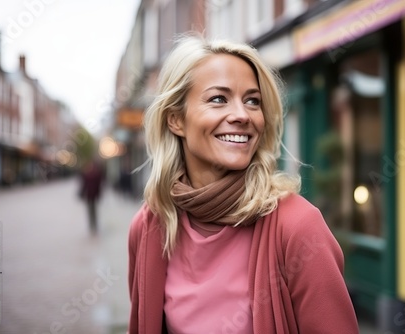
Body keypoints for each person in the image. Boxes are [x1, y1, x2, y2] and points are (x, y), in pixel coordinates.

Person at [127, 33, 359, 333]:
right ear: (176, 120)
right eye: (218, 99)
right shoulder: (147, 229)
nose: (242, 115)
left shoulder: (298, 227)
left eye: (252, 101)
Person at [79, 159, 104, 234]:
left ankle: (93, 226)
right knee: (91, 211)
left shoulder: (94, 174)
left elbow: (98, 185)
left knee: (92, 211)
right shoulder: (89, 174)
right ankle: (93, 226)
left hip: (92, 195)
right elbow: (84, 185)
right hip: (90, 195)